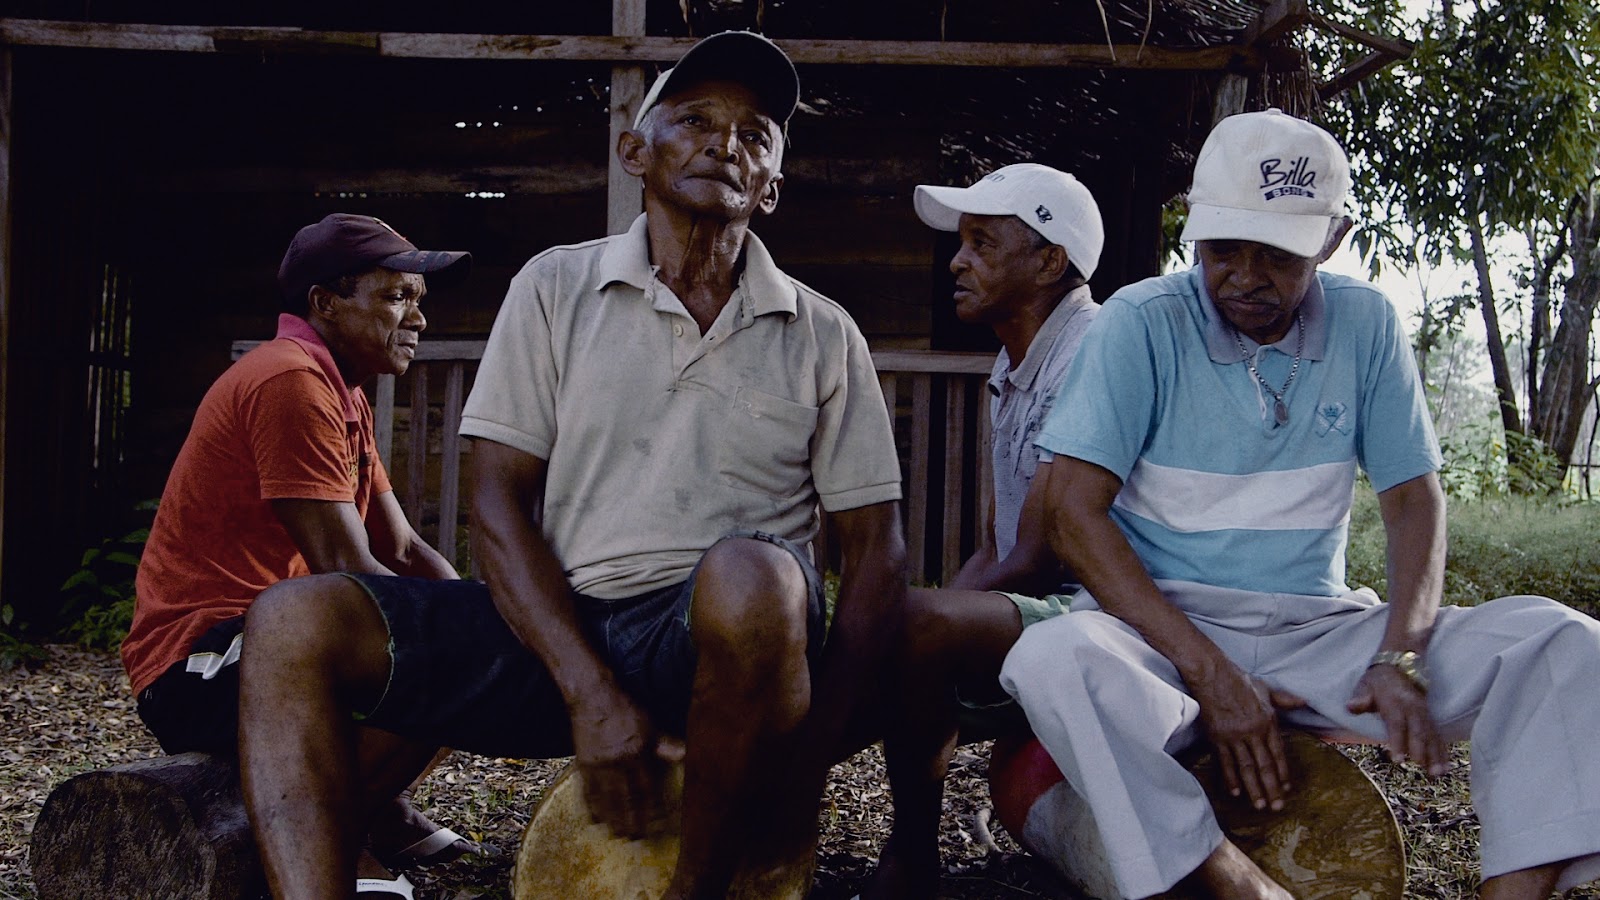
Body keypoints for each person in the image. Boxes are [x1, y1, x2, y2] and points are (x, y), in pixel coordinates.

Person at [234, 30, 908, 900]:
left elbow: (877, 551)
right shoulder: (555, 286)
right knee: (293, 620)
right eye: (695, 118)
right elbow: (497, 503)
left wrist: (807, 758)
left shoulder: (823, 332)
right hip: (561, 630)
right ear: (636, 151)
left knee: (755, 577)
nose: (725, 143)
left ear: (772, 187)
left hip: (731, 657)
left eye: (754, 134)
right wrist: (588, 690)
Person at [999, 108, 1600, 899]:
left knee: (1564, 643)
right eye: (1222, 250)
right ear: (1192, 233)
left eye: (1278, 254)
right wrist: (1210, 673)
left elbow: (1414, 503)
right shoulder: (1140, 323)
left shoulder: (1366, 323)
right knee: (1051, 658)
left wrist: (1400, 655)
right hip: (1162, 639)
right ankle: (1230, 884)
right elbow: (1073, 515)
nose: (1245, 277)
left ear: (1332, 238)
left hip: (1320, 638)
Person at [121, 214, 473, 876]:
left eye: (419, 301)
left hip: (274, 647)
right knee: (430, 656)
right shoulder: (289, 379)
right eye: (398, 296)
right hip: (195, 665)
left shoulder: (341, 388)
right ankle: (331, 836)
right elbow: (348, 574)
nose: (419, 320)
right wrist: (463, 635)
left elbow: (398, 550)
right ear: (325, 302)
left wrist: (482, 618)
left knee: (474, 647)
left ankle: (368, 809)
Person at [865, 164, 1104, 899]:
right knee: (906, 632)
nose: (957, 262)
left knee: (907, 632)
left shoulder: (1094, 349)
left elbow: (1036, 559)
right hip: (1049, 602)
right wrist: (910, 624)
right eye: (959, 243)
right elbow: (995, 548)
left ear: (1048, 261)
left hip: (1109, 611)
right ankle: (906, 852)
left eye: (980, 243)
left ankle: (908, 858)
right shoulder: (1012, 362)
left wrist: (909, 626)